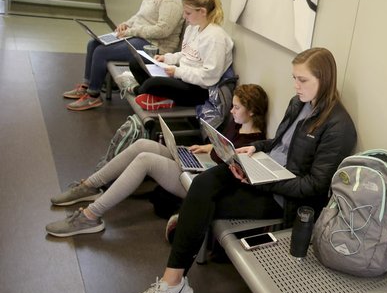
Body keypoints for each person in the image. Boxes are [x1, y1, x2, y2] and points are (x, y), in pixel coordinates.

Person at [123, 47, 356, 293]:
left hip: (282, 198)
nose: (296, 86)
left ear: (324, 79)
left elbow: (314, 187)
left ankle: (171, 285)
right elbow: (280, 144)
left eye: (302, 80)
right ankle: (172, 283)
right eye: (294, 78)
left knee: (203, 204)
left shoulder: (339, 127)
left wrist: (259, 179)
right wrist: (255, 149)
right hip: (261, 172)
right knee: (203, 184)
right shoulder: (300, 103)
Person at [45, 84, 268, 237]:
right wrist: (208, 147)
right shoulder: (237, 126)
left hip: (200, 183)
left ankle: (90, 216)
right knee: (143, 145)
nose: (231, 110)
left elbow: (230, 174)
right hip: (201, 166)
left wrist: (201, 163)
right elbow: (223, 146)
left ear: (252, 112)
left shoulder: (253, 145)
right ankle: (89, 186)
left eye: (237, 107)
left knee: (145, 160)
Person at [63, 0, 183, 111]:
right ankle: (86, 86)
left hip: (154, 46)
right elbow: (139, 17)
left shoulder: (171, 1)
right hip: (141, 38)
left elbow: (163, 30)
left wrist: (131, 31)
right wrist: (126, 24)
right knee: (93, 43)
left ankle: (93, 96)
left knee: (101, 52)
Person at [129, 0, 234, 110]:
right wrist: (167, 58)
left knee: (151, 84)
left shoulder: (215, 38)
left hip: (198, 89)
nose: (184, 16)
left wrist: (177, 72)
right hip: (182, 76)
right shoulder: (193, 28)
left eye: (188, 13)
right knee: (136, 62)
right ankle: (156, 96)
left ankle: (142, 92)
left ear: (203, 12)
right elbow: (185, 54)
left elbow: (209, 77)